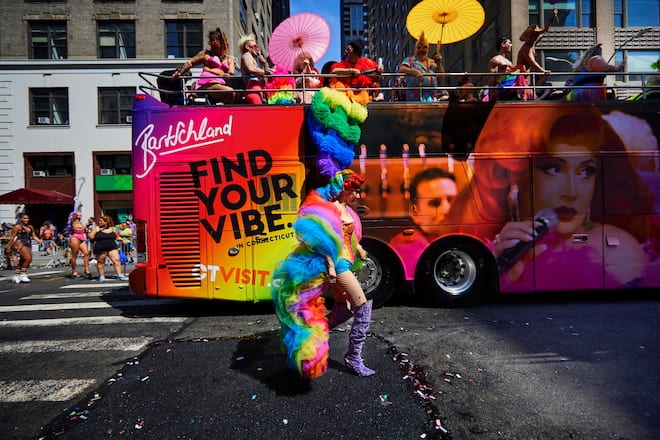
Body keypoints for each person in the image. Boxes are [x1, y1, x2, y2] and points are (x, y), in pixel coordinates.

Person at [448, 105, 655, 292]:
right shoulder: (498, 244)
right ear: (516, 175)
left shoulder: (615, 248)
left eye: (585, 171)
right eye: (554, 168)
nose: (572, 192)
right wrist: (501, 272)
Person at [272, 170, 374, 379]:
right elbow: (317, 239)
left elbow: (349, 237)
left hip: (346, 262)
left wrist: (360, 249)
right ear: (344, 189)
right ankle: (354, 357)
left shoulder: (349, 211)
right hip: (338, 266)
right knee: (362, 306)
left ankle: (315, 335)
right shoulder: (329, 210)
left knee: (344, 309)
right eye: (354, 191)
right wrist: (330, 265)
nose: (357, 195)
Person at [389, 168, 458, 276]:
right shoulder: (400, 250)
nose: (447, 209)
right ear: (415, 212)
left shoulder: (478, 238)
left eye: (452, 201)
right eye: (435, 203)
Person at [173, 28, 236, 104]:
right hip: (207, 84)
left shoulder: (230, 59)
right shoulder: (206, 54)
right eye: (211, 40)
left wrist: (226, 74)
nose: (213, 43)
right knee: (230, 92)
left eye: (215, 40)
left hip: (220, 85)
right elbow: (190, 63)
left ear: (222, 42)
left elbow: (231, 73)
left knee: (232, 94)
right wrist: (180, 72)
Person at [516, 8, 558, 100]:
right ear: (527, 37)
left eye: (535, 36)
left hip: (526, 79)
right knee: (530, 99)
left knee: (544, 84)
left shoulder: (533, 43)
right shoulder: (525, 49)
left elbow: (545, 30)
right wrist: (543, 71)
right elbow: (532, 62)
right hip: (521, 79)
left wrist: (552, 18)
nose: (533, 38)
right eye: (531, 36)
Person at [397, 32, 439, 102]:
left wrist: (439, 63)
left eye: (425, 47)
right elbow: (401, 69)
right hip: (414, 99)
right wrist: (415, 72)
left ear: (428, 49)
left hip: (432, 99)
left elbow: (441, 78)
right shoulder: (409, 60)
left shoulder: (432, 62)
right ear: (415, 49)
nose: (421, 50)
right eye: (419, 48)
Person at [6, 213, 43, 284]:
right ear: (20, 219)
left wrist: (39, 241)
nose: (26, 220)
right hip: (20, 243)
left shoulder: (30, 227)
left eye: (27, 218)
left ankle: (17, 275)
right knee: (28, 258)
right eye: (24, 218)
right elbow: (12, 237)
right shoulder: (17, 227)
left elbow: (34, 236)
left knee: (23, 260)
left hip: (28, 243)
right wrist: (8, 247)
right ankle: (23, 274)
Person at [88, 215, 127, 282]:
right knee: (101, 262)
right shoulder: (97, 228)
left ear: (106, 222)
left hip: (112, 246)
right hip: (100, 247)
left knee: (116, 260)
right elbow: (91, 237)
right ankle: (102, 276)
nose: (99, 222)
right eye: (99, 221)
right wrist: (93, 231)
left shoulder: (113, 229)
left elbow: (117, 237)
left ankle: (119, 274)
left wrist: (122, 240)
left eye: (101, 221)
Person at [238, 34, 272, 104]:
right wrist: (265, 72)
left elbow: (260, 78)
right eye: (255, 46)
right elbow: (251, 69)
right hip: (253, 90)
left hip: (258, 91)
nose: (258, 49)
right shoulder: (247, 54)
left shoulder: (252, 59)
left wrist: (261, 65)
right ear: (247, 47)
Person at [486, 37, 517, 101]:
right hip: (500, 91)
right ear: (503, 44)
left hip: (511, 90)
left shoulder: (509, 61)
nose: (511, 45)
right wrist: (492, 94)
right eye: (509, 43)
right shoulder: (495, 60)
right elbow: (491, 79)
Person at [67, 210, 91, 279]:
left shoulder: (81, 223)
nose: (80, 216)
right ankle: (74, 270)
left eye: (80, 215)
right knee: (74, 255)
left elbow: (84, 230)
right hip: (75, 238)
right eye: (78, 214)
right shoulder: (72, 222)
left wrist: (88, 224)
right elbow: (74, 227)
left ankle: (86, 269)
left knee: (86, 253)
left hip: (82, 238)